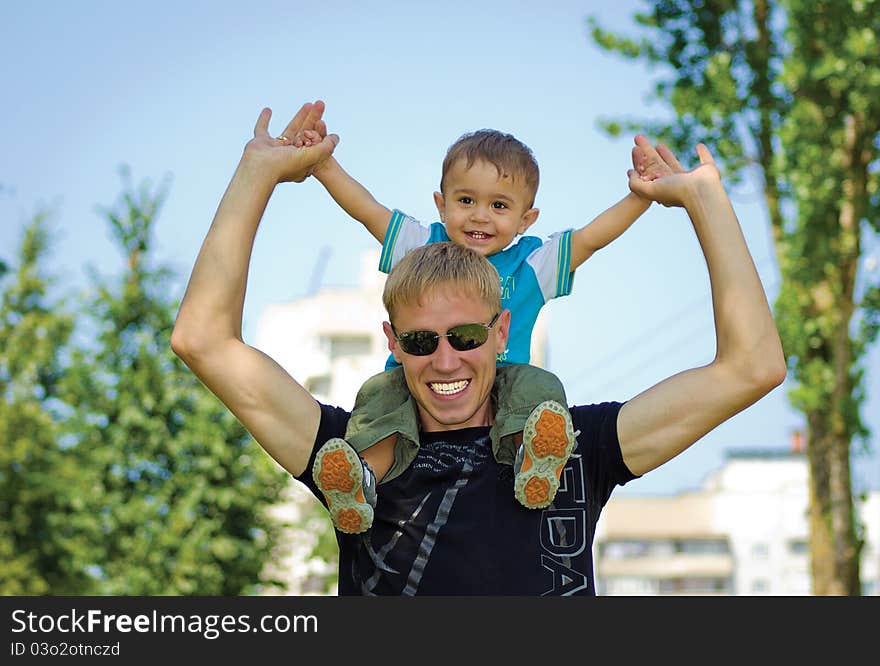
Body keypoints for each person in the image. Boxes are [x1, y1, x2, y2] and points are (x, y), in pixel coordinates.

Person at [171, 100, 786, 595]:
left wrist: (706, 199)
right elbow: (200, 339)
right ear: (392, 342)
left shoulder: (574, 446)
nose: (444, 360)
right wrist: (258, 170)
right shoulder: (355, 453)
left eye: (466, 337)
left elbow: (752, 368)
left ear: (500, 332)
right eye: (419, 341)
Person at [293, 111, 657, 532]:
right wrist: (323, 166)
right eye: (466, 201)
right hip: (415, 380)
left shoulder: (529, 265)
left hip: (505, 379)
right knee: (378, 398)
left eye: (499, 206)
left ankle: (533, 462)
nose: (480, 216)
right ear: (441, 204)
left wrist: (641, 197)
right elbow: (367, 210)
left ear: (526, 220)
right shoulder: (422, 244)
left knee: (541, 389)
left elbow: (591, 238)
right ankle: (360, 483)